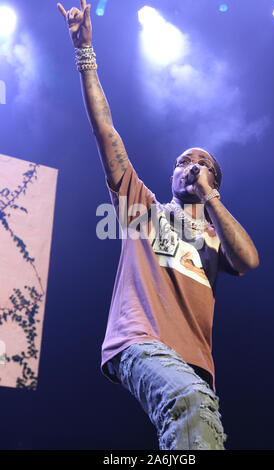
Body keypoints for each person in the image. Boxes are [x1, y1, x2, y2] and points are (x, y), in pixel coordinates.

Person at [58, 1, 259, 450]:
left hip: (194, 363)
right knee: (188, 402)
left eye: (201, 163)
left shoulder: (214, 239)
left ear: (212, 179)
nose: (190, 166)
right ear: (171, 176)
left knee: (202, 425)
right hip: (137, 340)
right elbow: (104, 129)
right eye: (183, 161)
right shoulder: (143, 208)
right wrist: (84, 51)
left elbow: (247, 260)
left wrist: (210, 198)